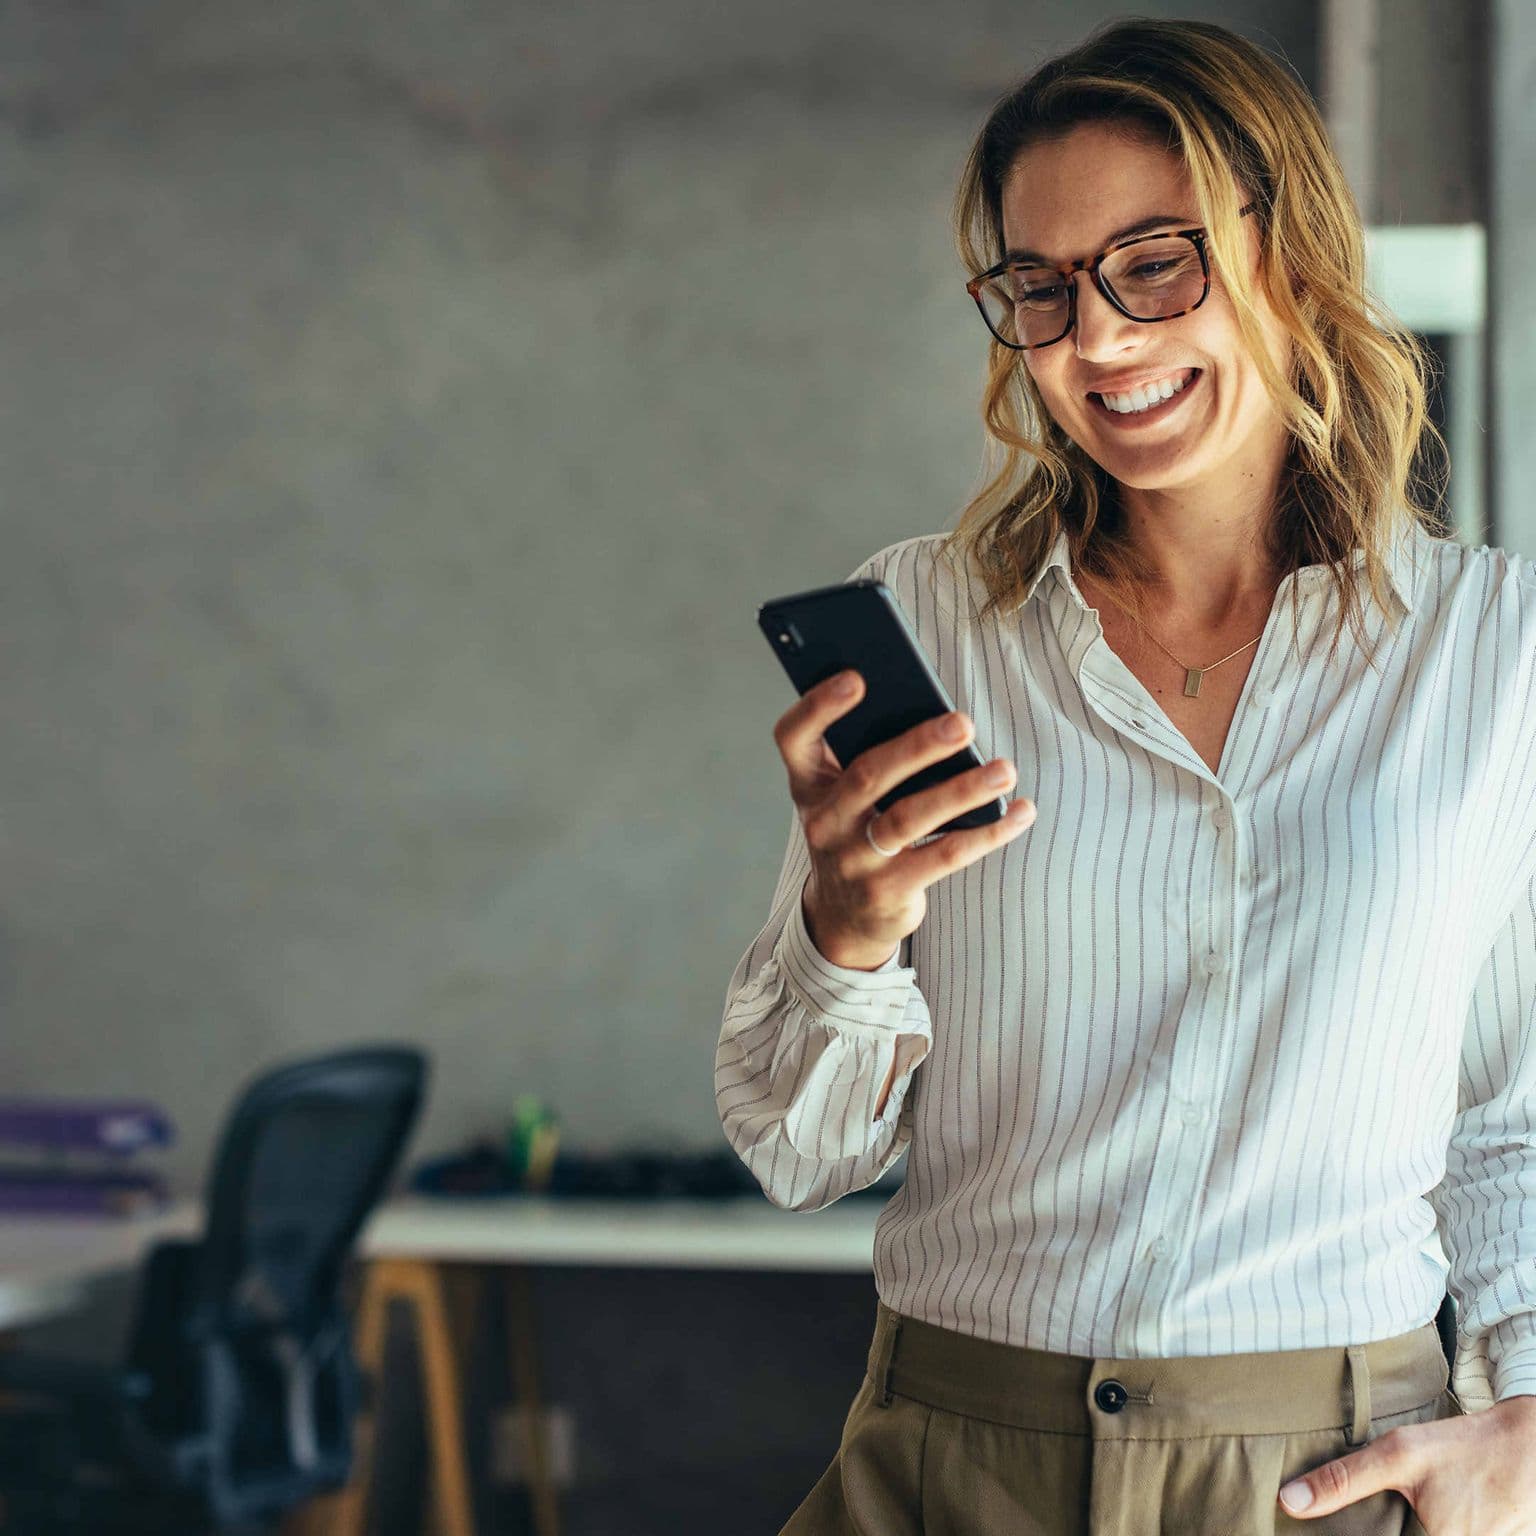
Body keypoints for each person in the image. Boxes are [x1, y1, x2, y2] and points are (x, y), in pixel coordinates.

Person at [715, 18, 1536, 1536]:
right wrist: (847, 924)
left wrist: (1532, 1432)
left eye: (1154, 263)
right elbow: (799, 1146)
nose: (1094, 339)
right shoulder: (935, 628)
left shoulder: (1496, 657)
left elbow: (1515, 1124)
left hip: (1329, 1477)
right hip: (951, 1460)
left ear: (1286, 255)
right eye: (1041, 287)